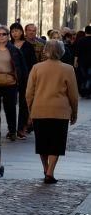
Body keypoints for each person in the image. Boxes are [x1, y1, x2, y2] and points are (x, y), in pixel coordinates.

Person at [26, 39, 79, 184]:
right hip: (60, 111)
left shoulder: (37, 68)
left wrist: (30, 109)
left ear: (46, 51)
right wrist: (74, 112)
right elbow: (73, 95)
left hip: (40, 109)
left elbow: (29, 92)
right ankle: (50, 172)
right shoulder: (68, 69)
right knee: (57, 142)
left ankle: (46, 168)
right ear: (61, 52)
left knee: (42, 142)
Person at [9, 22, 37, 139]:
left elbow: (33, 63)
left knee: (23, 104)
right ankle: (11, 129)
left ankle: (21, 128)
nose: (15, 33)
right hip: (10, 79)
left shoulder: (27, 46)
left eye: (17, 31)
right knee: (10, 104)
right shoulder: (7, 45)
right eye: (13, 31)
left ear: (22, 32)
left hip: (25, 78)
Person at [75, 25, 91, 98]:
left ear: (85, 32)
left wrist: (75, 62)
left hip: (82, 62)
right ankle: (88, 92)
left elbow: (77, 52)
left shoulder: (81, 40)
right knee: (89, 77)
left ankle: (83, 91)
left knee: (83, 77)